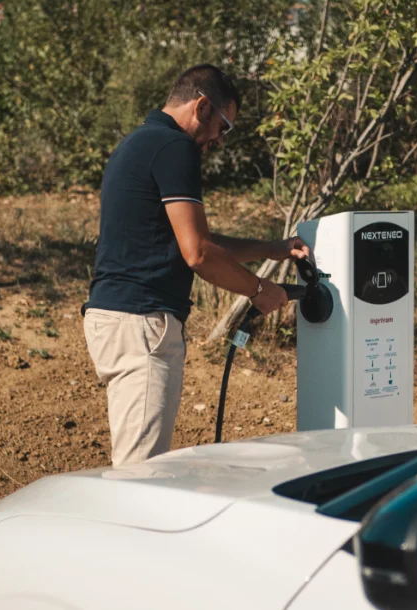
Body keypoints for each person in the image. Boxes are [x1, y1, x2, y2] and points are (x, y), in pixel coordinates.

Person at [82, 64, 309, 467]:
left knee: (135, 468)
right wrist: (260, 292)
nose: (219, 141)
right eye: (224, 127)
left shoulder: (136, 144)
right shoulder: (174, 147)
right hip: (144, 324)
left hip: (114, 318)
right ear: (202, 107)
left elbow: (195, 242)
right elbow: (199, 254)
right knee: (141, 477)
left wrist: (272, 249)